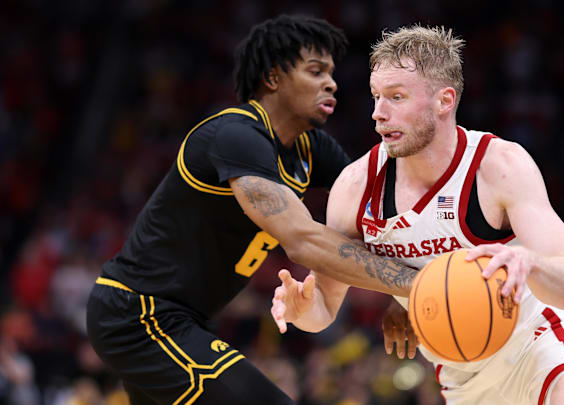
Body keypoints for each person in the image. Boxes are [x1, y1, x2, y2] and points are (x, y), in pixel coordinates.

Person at [271, 25, 564, 405]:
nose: (378, 114)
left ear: (444, 100)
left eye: (396, 97)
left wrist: (528, 261)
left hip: (539, 338)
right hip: (462, 374)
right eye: (375, 97)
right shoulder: (355, 188)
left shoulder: (498, 165)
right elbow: (324, 307)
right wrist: (301, 311)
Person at [86, 15, 418, 405]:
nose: (331, 83)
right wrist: (417, 285)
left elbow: (382, 208)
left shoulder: (313, 149)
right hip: (140, 314)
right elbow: (302, 241)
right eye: (315, 71)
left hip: (184, 320)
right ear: (273, 78)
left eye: (331, 72)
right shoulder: (235, 134)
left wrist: (404, 297)